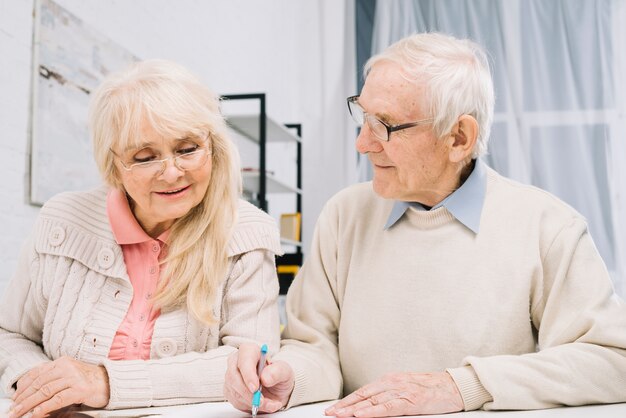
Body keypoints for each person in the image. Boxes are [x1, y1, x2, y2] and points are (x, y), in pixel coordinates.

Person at [224, 32, 626, 416]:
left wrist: (462, 387)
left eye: (384, 124)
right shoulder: (343, 215)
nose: (362, 143)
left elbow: (612, 361)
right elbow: (314, 346)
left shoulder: (548, 226)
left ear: (458, 138)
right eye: (363, 117)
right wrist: (289, 377)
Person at [0, 59, 283, 418]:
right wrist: (45, 386)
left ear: (212, 146)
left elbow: (251, 364)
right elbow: (8, 335)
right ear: (114, 164)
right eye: (145, 157)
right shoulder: (62, 220)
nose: (171, 172)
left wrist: (105, 382)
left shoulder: (247, 232)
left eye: (187, 149)